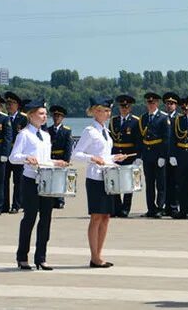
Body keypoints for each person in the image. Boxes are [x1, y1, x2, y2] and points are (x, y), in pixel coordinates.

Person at [10, 98, 69, 270]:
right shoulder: (24, 135)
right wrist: (25, 158)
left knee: (46, 219)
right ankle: (22, 256)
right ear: (31, 115)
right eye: (41, 114)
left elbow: (45, 159)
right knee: (29, 218)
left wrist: (55, 162)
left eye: (45, 114)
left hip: (47, 179)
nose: (45, 117)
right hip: (30, 180)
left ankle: (41, 257)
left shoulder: (46, 135)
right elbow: (14, 157)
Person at [72, 97, 128, 267]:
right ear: (95, 111)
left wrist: (114, 157)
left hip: (107, 177)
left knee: (106, 217)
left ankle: (99, 254)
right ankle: (94, 256)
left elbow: (104, 155)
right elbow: (76, 154)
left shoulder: (105, 130)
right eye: (104, 110)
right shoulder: (90, 131)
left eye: (109, 110)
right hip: (95, 177)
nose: (108, 113)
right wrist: (93, 158)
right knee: (96, 217)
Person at [139, 92, 171, 219]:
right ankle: (150, 208)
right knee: (149, 184)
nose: (150, 105)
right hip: (147, 155)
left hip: (158, 155)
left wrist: (163, 156)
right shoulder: (144, 118)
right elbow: (141, 138)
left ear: (157, 103)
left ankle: (159, 207)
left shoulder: (163, 117)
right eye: (148, 102)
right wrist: (139, 156)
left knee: (161, 184)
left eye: (152, 102)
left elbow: (167, 139)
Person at [109, 95, 142, 217]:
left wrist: (138, 157)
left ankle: (125, 209)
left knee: (128, 184)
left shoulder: (135, 121)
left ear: (130, 108)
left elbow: (139, 141)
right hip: (116, 154)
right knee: (114, 182)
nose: (124, 109)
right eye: (122, 107)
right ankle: (116, 207)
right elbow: (111, 139)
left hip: (129, 155)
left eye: (126, 107)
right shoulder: (114, 121)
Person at [4, 92, 28, 214]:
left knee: (18, 181)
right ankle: (4, 204)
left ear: (17, 105)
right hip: (6, 153)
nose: (8, 106)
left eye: (11, 103)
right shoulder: (3, 117)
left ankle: (16, 205)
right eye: (7, 103)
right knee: (4, 180)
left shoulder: (24, 118)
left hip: (18, 153)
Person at [48, 105, 74, 209]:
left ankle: (60, 200)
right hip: (51, 157)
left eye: (59, 116)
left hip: (61, 156)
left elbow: (68, 147)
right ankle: (52, 199)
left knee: (60, 179)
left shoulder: (66, 131)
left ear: (62, 118)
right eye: (55, 116)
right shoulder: (48, 130)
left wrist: (66, 160)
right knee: (51, 178)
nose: (56, 118)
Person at [163, 92, 180, 216]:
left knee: (175, 182)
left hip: (175, 155)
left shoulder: (179, 118)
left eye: (172, 103)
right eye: (168, 103)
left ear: (176, 105)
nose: (169, 106)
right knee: (165, 181)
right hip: (164, 154)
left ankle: (174, 206)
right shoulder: (163, 118)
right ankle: (166, 206)